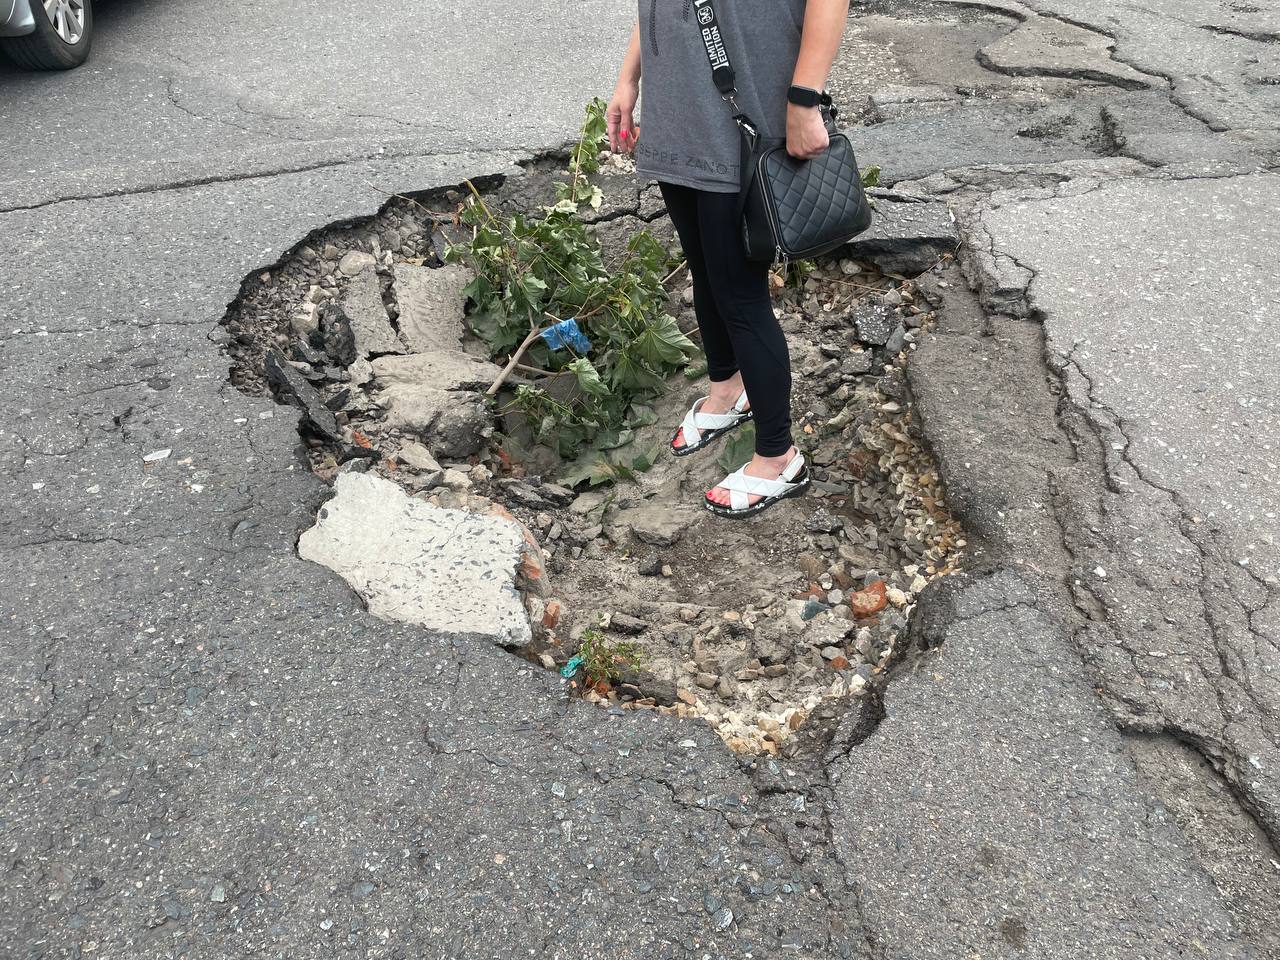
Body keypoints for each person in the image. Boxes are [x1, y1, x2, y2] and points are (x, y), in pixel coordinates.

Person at [607, 0, 849, 518]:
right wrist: (629, 78)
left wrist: (806, 98)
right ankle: (727, 389)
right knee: (703, 267)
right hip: (677, 116)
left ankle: (777, 455)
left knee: (741, 294)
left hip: (741, 119)